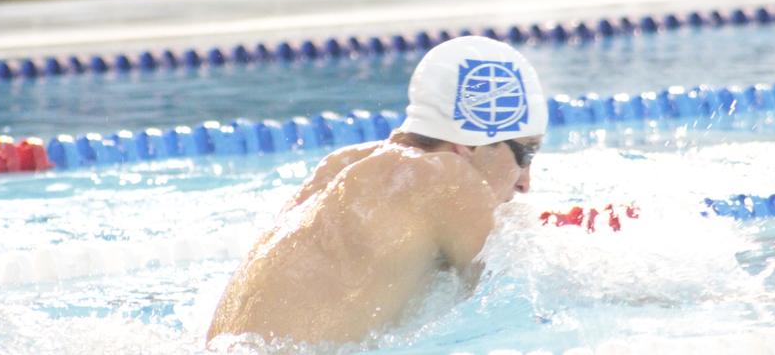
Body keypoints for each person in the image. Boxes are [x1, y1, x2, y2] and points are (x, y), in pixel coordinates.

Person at [206, 35, 548, 345]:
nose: (525, 181)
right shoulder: (445, 177)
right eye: (525, 153)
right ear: (471, 143)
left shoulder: (339, 167)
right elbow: (529, 289)